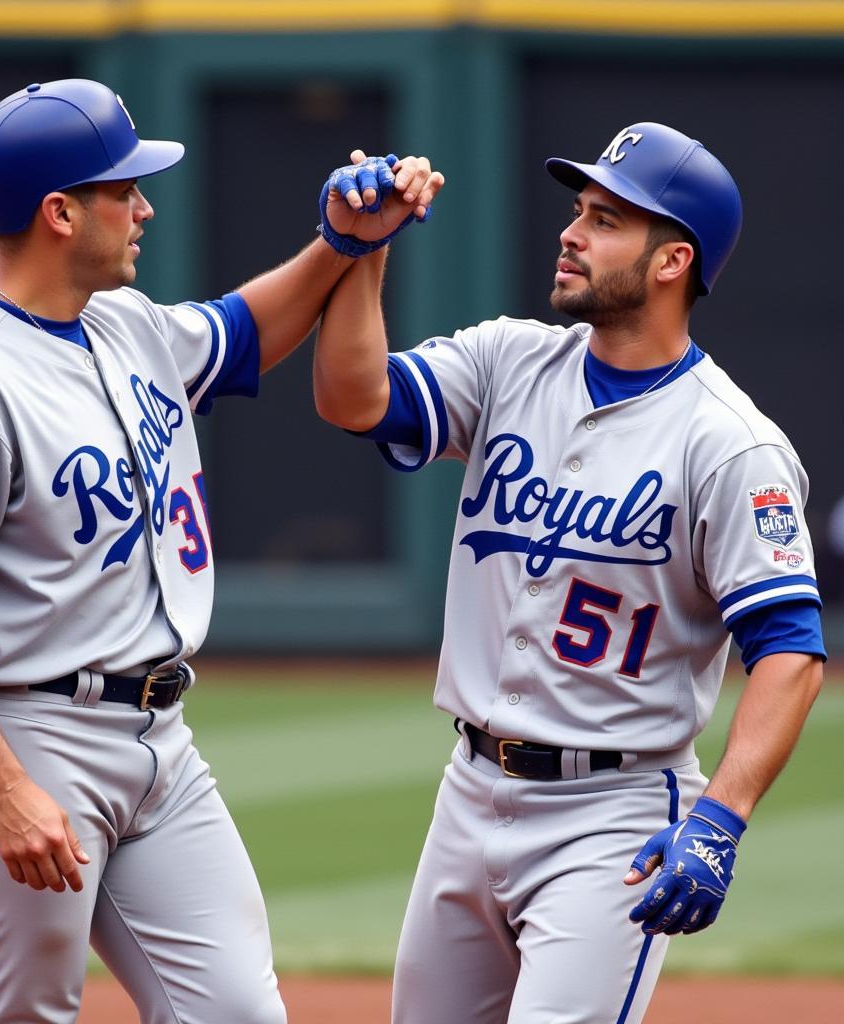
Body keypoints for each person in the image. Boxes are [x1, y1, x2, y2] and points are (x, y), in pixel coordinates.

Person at [0, 78, 443, 1024]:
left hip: (156, 737)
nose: (142, 206)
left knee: (237, 1014)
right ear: (59, 213)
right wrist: (4, 789)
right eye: (122, 189)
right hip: (26, 731)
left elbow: (249, 332)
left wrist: (346, 242)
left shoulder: (121, 324)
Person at [313, 121, 825, 1023]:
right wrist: (363, 251)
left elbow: (790, 651)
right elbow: (354, 399)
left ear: (672, 262)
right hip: (468, 791)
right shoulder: (511, 359)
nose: (572, 232)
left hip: (614, 812)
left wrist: (722, 818)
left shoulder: (732, 445)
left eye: (605, 219)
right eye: (578, 210)